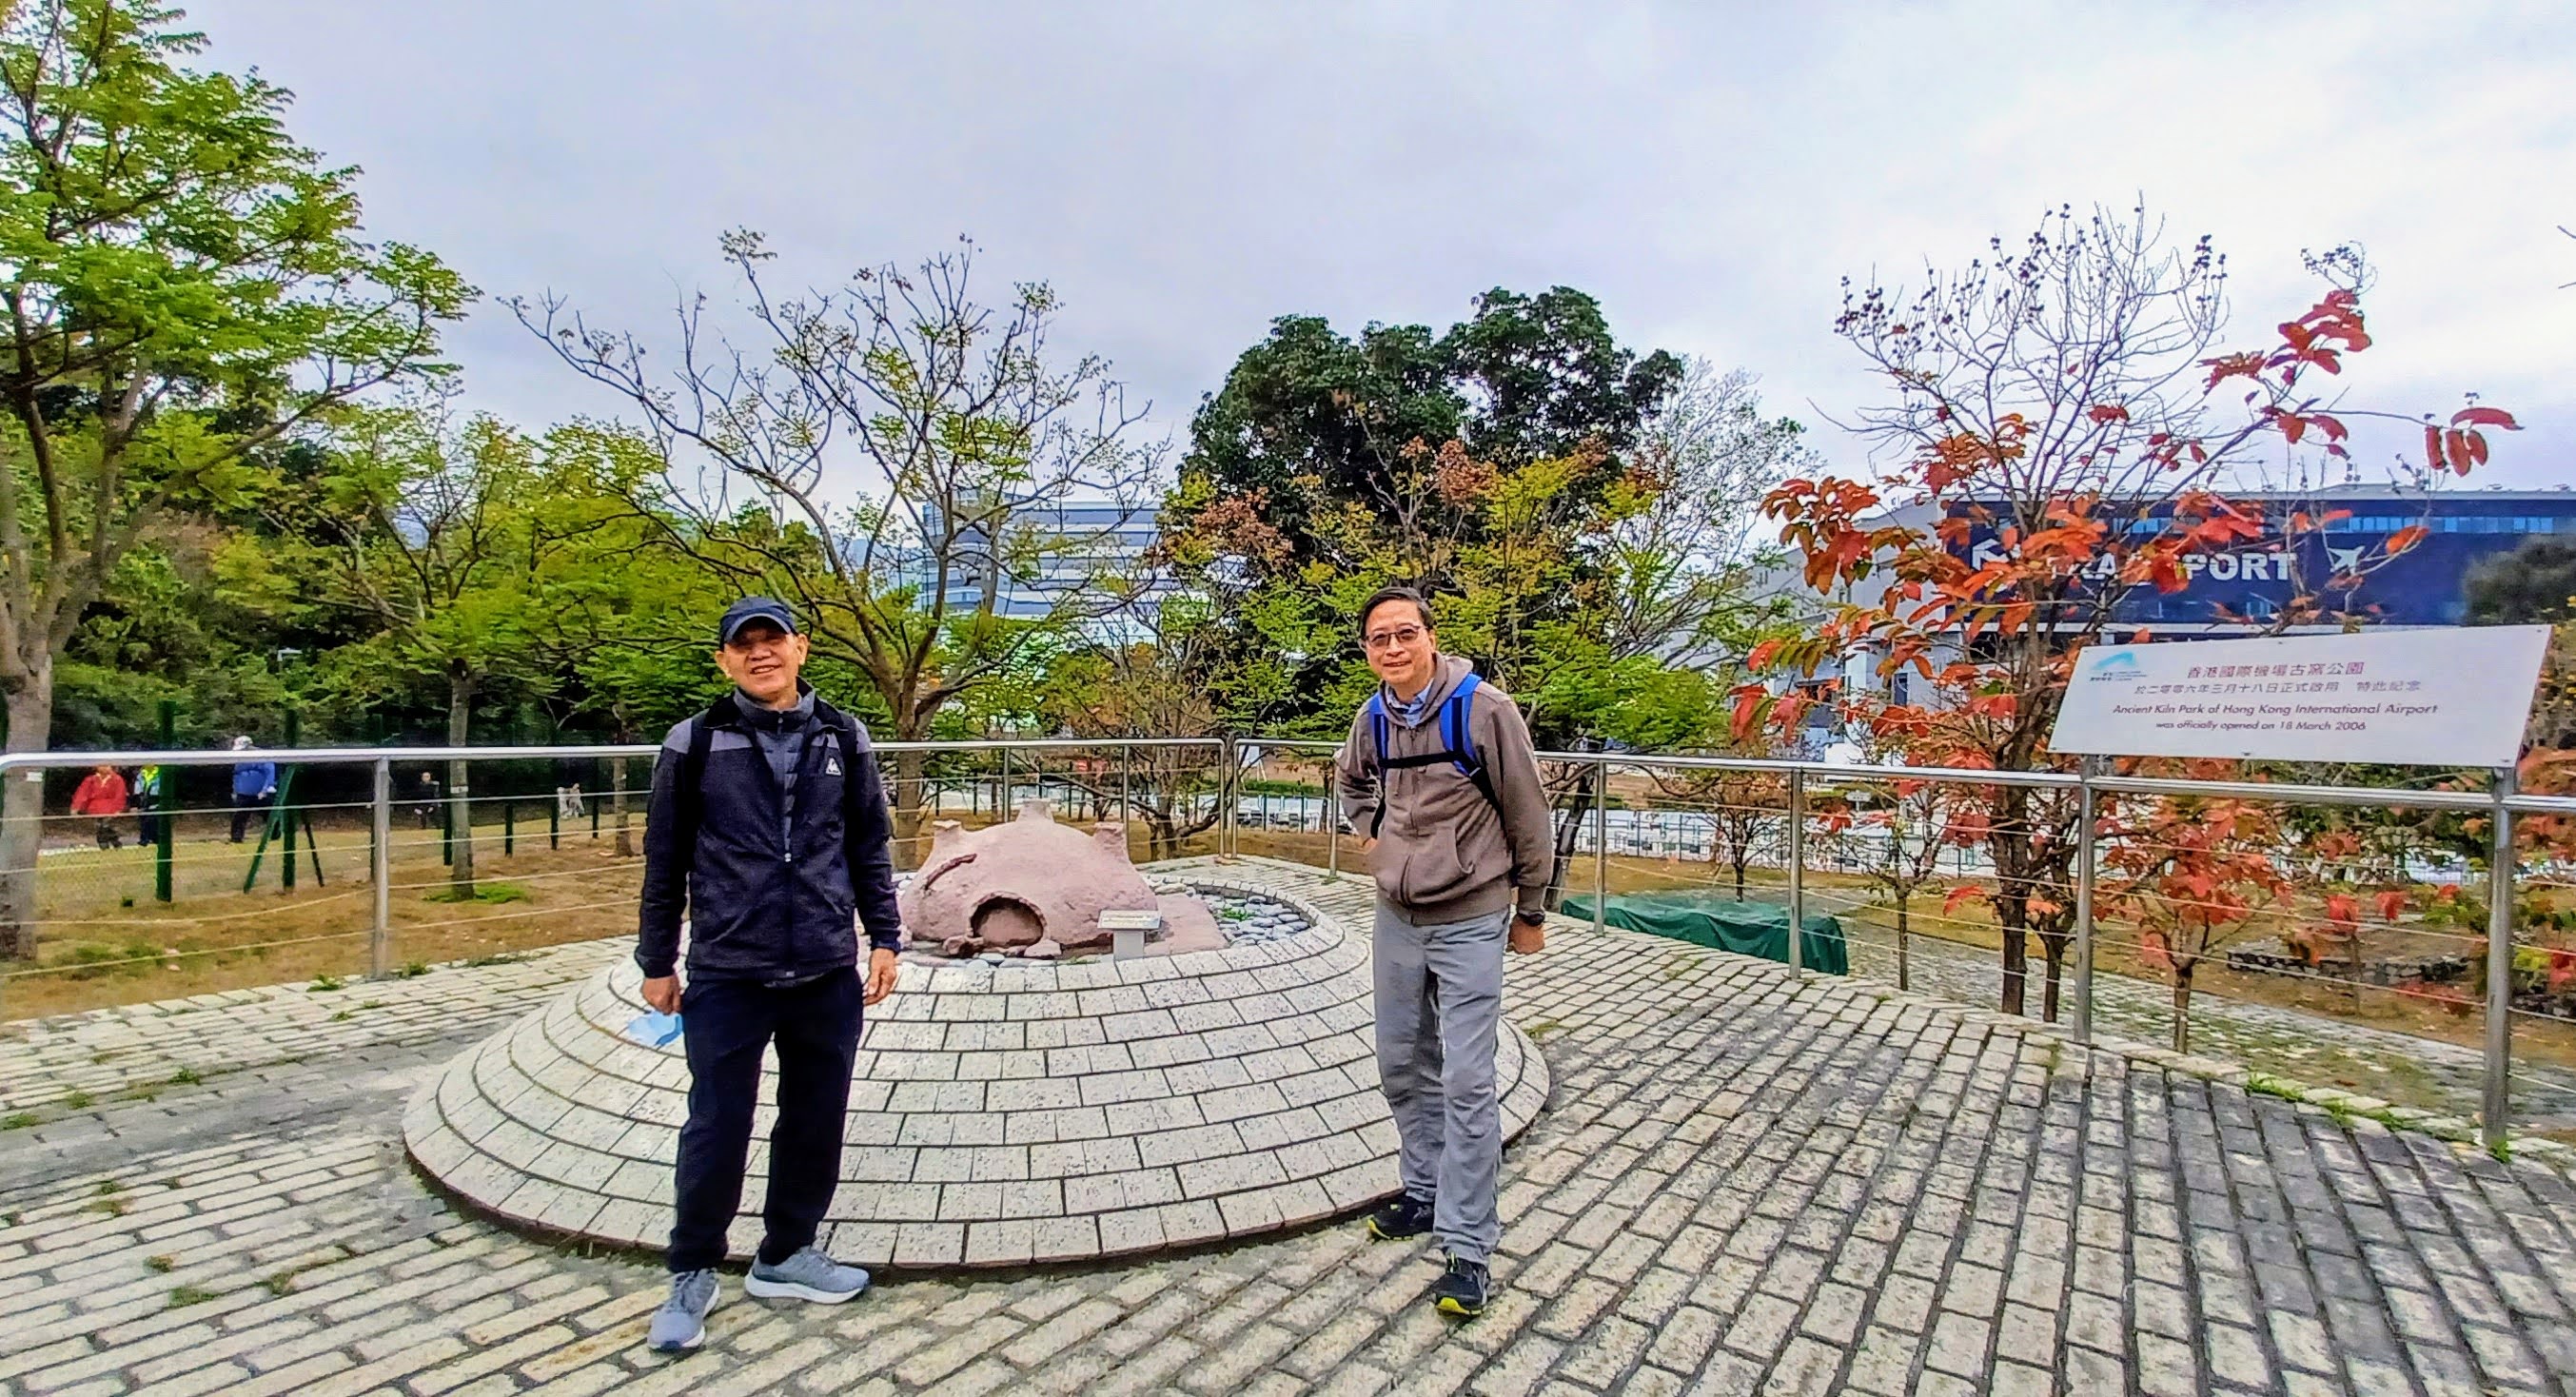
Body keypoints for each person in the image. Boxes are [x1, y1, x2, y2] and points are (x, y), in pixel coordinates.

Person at [639, 596, 903, 1354]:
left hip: (824, 964)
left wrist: (885, 938)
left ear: (801, 648)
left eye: (773, 639)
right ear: (724, 660)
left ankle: (785, 1253)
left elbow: (868, 845)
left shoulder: (843, 735)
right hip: (729, 967)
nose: (761, 653)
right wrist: (657, 961)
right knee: (717, 1123)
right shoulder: (695, 742)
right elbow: (665, 859)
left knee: (815, 1117)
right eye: (744, 644)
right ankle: (692, 1270)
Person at [1333, 586, 1553, 1318]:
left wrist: (1531, 909)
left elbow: (1528, 813)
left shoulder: (1483, 709)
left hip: (1471, 915)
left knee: (1466, 1080)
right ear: (1367, 651)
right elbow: (1349, 778)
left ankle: (1467, 1246)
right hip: (1396, 916)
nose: (1392, 648)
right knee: (1400, 1062)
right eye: (1378, 639)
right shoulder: (1373, 717)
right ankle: (1424, 1192)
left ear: (1430, 636)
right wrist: (1372, 837)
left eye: (1405, 633)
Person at [227, 738, 275, 843]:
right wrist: (235, 791)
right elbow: (237, 776)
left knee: (269, 815)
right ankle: (236, 838)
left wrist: (265, 789)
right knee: (239, 816)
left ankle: (274, 835)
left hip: (261, 793)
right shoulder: (239, 759)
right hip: (243, 793)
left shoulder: (263, 756)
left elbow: (270, 773)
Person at [71, 764, 128, 850]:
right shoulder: (90, 780)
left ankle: (106, 845)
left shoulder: (117, 779)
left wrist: (118, 809)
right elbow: (82, 793)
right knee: (100, 827)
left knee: (105, 826)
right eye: (101, 765)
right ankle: (113, 843)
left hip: (110, 808)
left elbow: (120, 795)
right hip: (95, 809)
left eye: (107, 765)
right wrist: (76, 807)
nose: (104, 767)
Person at [132, 765, 164, 847]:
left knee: (153, 819)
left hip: (155, 799)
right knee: (144, 819)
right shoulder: (141, 774)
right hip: (144, 799)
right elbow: (137, 790)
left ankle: (155, 838)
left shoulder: (160, 774)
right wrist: (137, 803)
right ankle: (145, 838)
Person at [553, 756, 588, 823]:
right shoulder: (560, 770)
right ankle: (564, 813)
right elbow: (558, 783)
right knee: (561, 795)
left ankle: (578, 811)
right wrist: (567, 790)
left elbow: (579, 781)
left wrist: (575, 786)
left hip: (573, 789)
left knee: (576, 795)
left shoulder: (575, 769)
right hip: (564, 789)